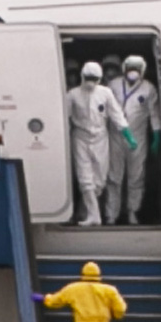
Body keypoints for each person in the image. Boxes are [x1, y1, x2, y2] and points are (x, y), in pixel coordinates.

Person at [65, 60, 116, 224]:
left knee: (99, 180)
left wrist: (127, 132)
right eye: (88, 78)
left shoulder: (106, 93)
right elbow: (64, 119)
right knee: (85, 179)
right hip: (80, 137)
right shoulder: (72, 94)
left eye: (94, 78)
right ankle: (94, 216)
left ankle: (89, 212)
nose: (90, 82)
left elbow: (116, 114)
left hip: (101, 137)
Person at [109, 54, 156, 224]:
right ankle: (111, 215)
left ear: (142, 71)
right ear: (124, 69)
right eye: (130, 69)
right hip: (115, 136)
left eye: (136, 69)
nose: (133, 72)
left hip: (138, 138)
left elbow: (154, 114)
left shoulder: (149, 89)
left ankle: (132, 211)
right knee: (114, 177)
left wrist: (156, 137)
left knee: (136, 177)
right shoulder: (113, 85)